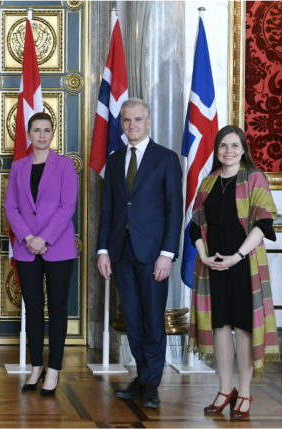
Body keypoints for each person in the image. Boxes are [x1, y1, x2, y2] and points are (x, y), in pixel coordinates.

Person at [97, 98, 183, 408]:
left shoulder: (166, 159)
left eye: (137, 120)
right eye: (127, 121)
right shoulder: (116, 159)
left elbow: (175, 211)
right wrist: (103, 250)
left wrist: (167, 253)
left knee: (152, 321)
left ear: (148, 122)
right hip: (121, 252)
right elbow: (108, 209)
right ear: (122, 124)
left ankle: (151, 385)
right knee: (132, 319)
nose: (132, 126)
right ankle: (143, 377)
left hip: (153, 254)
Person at [188, 125, 279, 419]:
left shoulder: (254, 179)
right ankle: (224, 389)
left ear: (243, 149)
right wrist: (204, 255)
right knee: (220, 328)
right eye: (223, 146)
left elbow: (264, 225)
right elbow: (195, 226)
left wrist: (236, 257)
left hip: (243, 267)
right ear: (217, 150)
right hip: (212, 266)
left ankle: (244, 391)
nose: (228, 151)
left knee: (242, 328)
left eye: (234, 146)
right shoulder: (208, 182)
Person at [4, 112, 78, 397]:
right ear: (29, 134)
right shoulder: (19, 167)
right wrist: (28, 238)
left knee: (58, 309)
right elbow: (11, 207)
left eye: (47, 130)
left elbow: (67, 206)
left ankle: (55, 369)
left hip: (58, 248)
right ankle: (36, 367)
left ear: (52, 133)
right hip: (26, 248)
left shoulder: (65, 165)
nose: (42, 135)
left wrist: (43, 238)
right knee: (33, 309)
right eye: (37, 130)